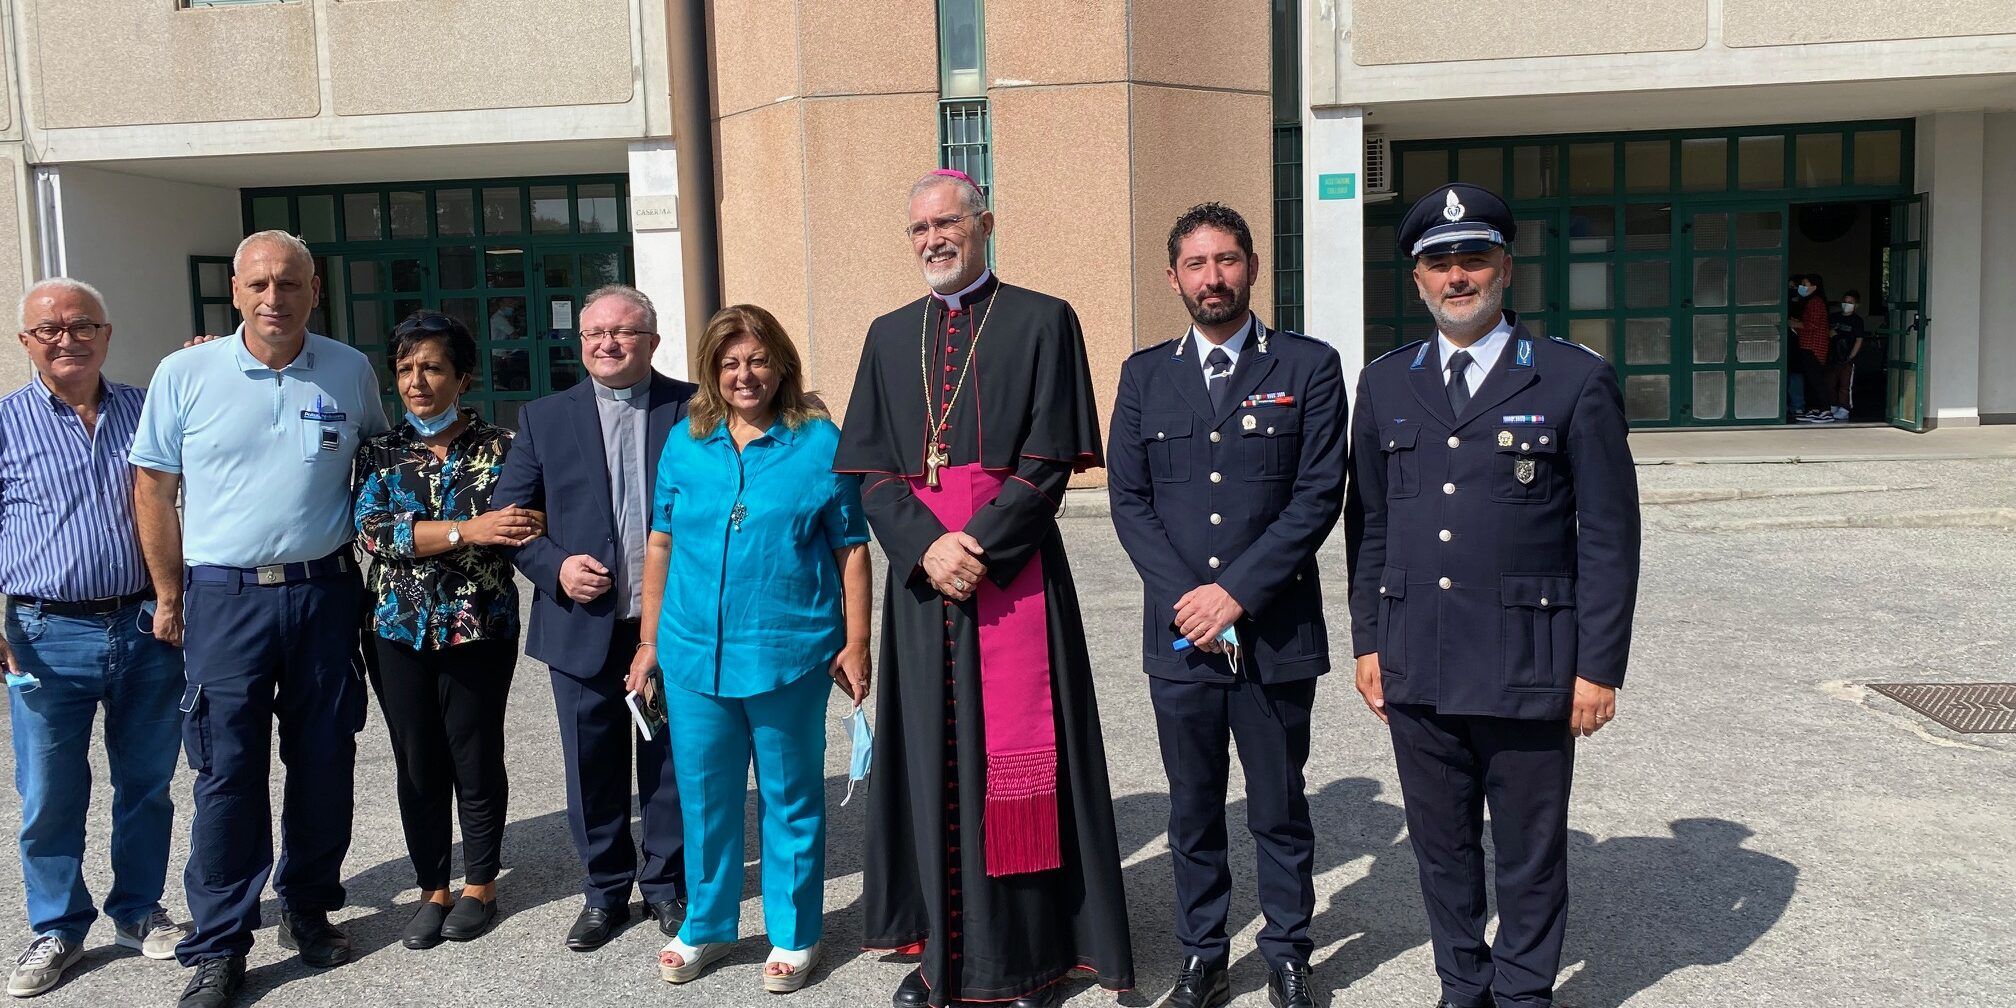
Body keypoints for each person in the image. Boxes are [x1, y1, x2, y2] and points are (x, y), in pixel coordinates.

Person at [835, 168, 1134, 1008]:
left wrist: (981, 547)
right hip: (924, 584)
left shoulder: (1044, 319)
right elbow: (871, 473)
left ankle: (1033, 957)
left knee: (1023, 759)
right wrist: (929, 551)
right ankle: (943, 947)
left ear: (985, 223)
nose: (934, 239)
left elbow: (1047, 463)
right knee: (935, 760)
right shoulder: (889, 335)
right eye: (919, 228)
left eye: (948, 223)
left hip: (1017, 573)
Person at [1345, 183, 1641, 1008]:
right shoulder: (1388, 383)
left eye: (1473, 258)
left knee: (1529, 849)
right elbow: (1367, 526)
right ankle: (1461, 987)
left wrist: (1599, 667)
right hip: (1418, 659)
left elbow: (1610, 536)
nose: (1457, 276)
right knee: (1441, 849)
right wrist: (1368, 642)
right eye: (1439, 263)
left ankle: (1523, 994)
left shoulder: (1571, 379)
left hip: (1530, 663)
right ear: (1417, 281)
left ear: (1506, 267)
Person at [129, 231, 390, 1008]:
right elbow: (152, 488)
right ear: (236, 292)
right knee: (226, 772)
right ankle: (219, 946)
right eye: (260, 284)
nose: (275, 297)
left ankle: (308, 908)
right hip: (224, 598)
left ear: (315, 291)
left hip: (323, 593)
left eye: (291, 283)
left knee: (323, 760)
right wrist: (170, 596)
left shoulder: (349, 368)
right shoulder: (184, 372)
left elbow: (376, 464)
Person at [1106, 204, 1346, 1008]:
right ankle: (1203, 952)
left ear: (1252, 268)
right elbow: (1130, 501)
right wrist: (1191, 603)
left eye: (1228, 260)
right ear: (1174, 277)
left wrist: (1235, 594)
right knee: (1193, 805)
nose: (1214, 278)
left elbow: (1318, 495)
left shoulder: (1308, 367)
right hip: (1181, 638)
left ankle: (1287, 952)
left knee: (1278, 805)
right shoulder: (1144, 375)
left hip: (1273, 631)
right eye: (1197, 264)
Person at [625, 304, 871, 994]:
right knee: (705, 797)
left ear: (781, 366)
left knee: (791, 798)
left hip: (789, 652)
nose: (745, 374)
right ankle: (705, 924)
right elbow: (661, 543)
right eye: (730, 362)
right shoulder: (686, 442)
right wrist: (648, 644)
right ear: (712, 370)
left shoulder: (820, 443)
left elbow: (852, 550)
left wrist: (858, 641)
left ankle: (796, 933)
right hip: (693, 654)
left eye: (758, 360)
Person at [0, 279, 189, 997]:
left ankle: (139, 912)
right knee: (50, 791)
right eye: (48, 330)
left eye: (82, 325)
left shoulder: (148, 411)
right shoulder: (6, 423)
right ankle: (56, 928)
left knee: (147, 785)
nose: (66, 339)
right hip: (45, 633)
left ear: (106, 334)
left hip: (146, 624)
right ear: (26, 343)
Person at [491, 284, 694, 951]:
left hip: (668, 626)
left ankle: (667, 886)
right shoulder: (545, 417)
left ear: (653, 340)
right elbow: (513, 519)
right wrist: (555, 568)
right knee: (592, 764)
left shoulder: (694, 408)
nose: (607, 344)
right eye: (594, 333)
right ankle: (605, 892)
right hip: (582, 626)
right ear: (580, 342)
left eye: (624, 332)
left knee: (666, 759)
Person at [353, 311, 545, 950]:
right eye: (405, 369)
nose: (417, 382)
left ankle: (481, 883)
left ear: (463, 376)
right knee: (417, 759)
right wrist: (469, 530)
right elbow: (376, 533)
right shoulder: (378, 452)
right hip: (396, 630)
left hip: (478, 629)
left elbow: (519, 525)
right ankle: (434, 885)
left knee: (475, 751)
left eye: (432, 367)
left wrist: (458, 535)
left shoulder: (504, 447)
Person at [1790, 274, 1835, 423]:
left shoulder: (1816, 302)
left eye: (1805, 284)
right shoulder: (1810, 302)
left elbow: (1812, 325)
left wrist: (1793, 324)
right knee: (1810, 379)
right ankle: (1816, 408)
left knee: (1816, 379)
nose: (1802, 287)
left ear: (1814, 287)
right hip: (1807, 345)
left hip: (1814, 346)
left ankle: (1826, 409)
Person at [1828, 290, 1867, 421]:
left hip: (1848, 358)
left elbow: (1859, 339)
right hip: (1833, 356)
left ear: (1856, 305)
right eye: (1845, 301)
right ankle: (1832, 405)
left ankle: (1845, 408)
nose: (1847, 304)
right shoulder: (1833, 317)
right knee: (1831, 382)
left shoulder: (1857, 321)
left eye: (1850, 302)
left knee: (1845, 385)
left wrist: (1851, 356)